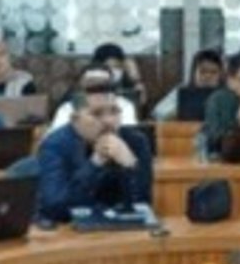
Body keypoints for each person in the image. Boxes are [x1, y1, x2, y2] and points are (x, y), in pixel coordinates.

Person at [35, 82, 153, 222]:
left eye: (115, 112)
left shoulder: (136, 141)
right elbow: (55, 208)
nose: (109, 121)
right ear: (75, 119)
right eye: (97, 114)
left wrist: (130, 167)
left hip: (119, 229)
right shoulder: (55, 145)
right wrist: (95, 164)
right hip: (69, 230)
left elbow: (142, 204)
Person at [48, 65, 140, 130]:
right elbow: (55, 136)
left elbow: (129, 134)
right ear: (81, 88)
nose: (97, 91)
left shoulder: (123, 105)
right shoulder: (68, 108)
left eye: (103, 86)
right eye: (91, 86)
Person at [151, 48, 225, 120]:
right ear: (193, 73)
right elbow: (157, 113)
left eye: (213, 72)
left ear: (220, 75)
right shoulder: (182, 91)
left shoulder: (226, 95)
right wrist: (177, 112)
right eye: (203, 71)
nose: (207, 76)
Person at [90, 41, 148, 110]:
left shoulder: (127, 82)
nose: (113, 71)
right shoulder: (91, 84)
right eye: (108, 67)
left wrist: (136, 80)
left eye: (117, 66)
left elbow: (141, 104)